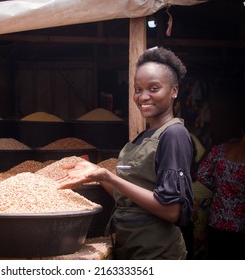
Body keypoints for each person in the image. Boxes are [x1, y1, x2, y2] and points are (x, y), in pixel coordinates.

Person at [57, 47, 194, 260]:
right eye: (138, 89)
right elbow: (127, 197)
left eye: (154, 88)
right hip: (129, 247)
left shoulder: (174, 134)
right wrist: (98, 172)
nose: (143, 96)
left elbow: (171, 210)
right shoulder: (143, 136)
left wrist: (107, 176)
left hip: (156, 253)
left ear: (174, 91)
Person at [196, 125, 245, 260]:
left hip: (216, 221)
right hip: (240, 225)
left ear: (242, 131)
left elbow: (201, 173)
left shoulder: (220, 150)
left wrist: (218, 188)